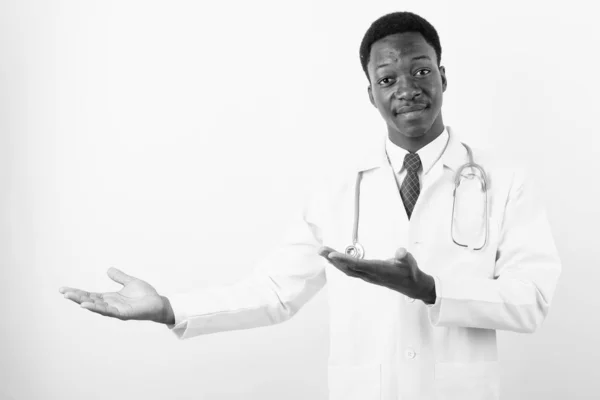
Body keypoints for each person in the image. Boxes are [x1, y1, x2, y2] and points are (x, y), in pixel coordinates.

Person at [59, 11, 561, 400]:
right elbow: (276, 292)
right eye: (388, 79)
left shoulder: (505, 180)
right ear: (370, 94)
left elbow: (532, 298)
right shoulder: (338, 188)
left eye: (420, 70)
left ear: (443, 77)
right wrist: (169, 308)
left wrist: (431, 289)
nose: (407, 88)